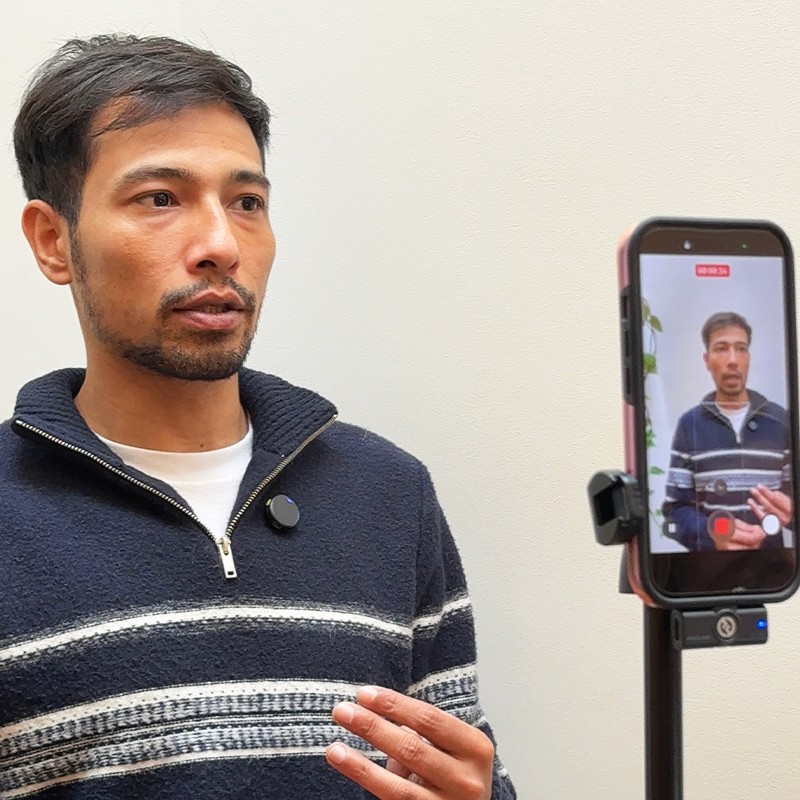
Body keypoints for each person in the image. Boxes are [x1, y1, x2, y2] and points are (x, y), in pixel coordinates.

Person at [0, 35, 516, 799]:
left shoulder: (389, 493)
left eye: (246, 202)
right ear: (54, 241)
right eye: (160, 198)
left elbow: (454, 767)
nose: (220, 244)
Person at [662, 311, 792, 552]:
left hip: (773, 570)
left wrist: (792, 513)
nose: (732, 360)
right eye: (721, 349)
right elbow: (675, 511)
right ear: (707, 360)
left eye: (741, 349)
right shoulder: (689, 425)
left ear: (748, 358)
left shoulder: (781, 421)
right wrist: (712, 534)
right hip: (710, 569)